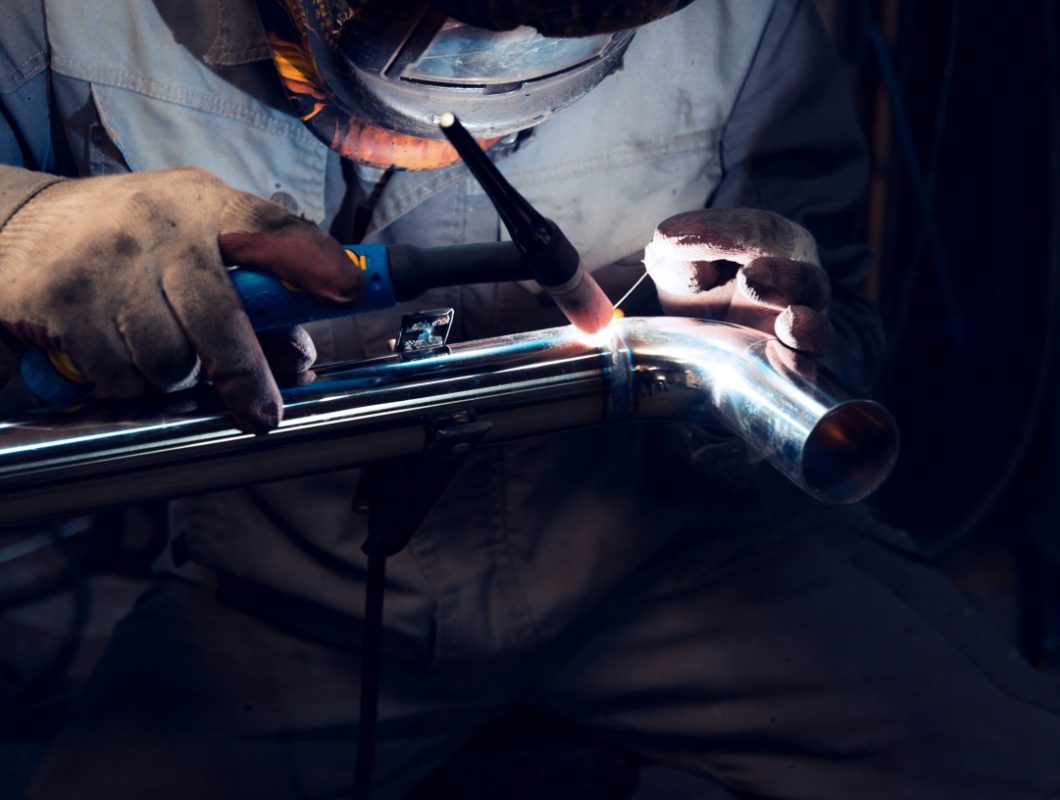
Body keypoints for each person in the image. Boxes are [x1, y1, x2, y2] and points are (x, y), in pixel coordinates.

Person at [2, 1, 1059, 797]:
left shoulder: (738, 20)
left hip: (681, 556)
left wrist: (788, 320)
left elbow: (845, 332)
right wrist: (29, 230)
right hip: (288, 596)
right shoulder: (71, 16)